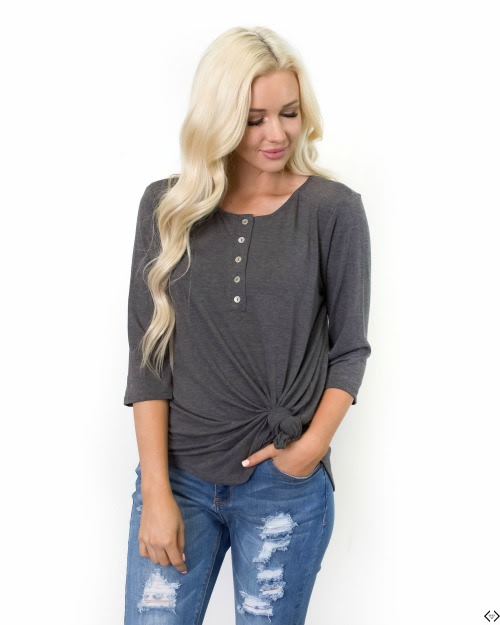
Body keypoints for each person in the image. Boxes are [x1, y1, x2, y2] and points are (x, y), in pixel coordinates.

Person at [122, 25, 371, 625]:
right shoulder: (167, 208)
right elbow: (148, 359)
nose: (276, 134)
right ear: (219, 117)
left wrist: (308, 451)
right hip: (177, 479)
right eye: (254, 118)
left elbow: (350, 349)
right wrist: (155, 491)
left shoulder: (333, 210)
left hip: (283, 485)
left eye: (289, 113)